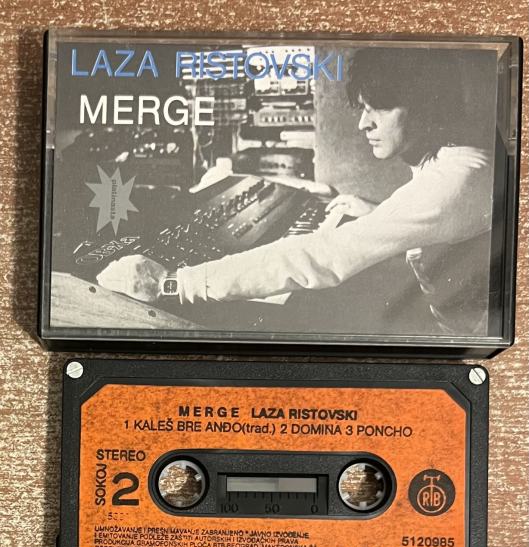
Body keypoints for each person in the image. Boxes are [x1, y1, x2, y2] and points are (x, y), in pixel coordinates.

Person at [97, 48, 493, 334]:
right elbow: (433, 224)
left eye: (379, 108)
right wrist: (376, 214)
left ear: (426, 104)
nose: (364, 125)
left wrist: (175, 283)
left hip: (451, 337)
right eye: (362, 109)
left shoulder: (454, 180)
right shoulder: (457, 162)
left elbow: (322, 256)